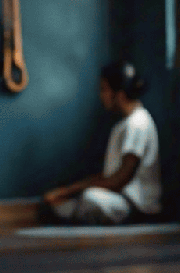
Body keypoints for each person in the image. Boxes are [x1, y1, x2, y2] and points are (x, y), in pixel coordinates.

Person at [42, 60, 162, 225]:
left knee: (89, 198)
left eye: (104, 90)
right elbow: (108, 175)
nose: (101, 95)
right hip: (116, 197)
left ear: (119, 94)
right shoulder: (123, 126)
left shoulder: (138, 124)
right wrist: (64, 194)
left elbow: (120, 180)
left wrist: (67, 192)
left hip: (134, 204)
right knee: (62, 204)